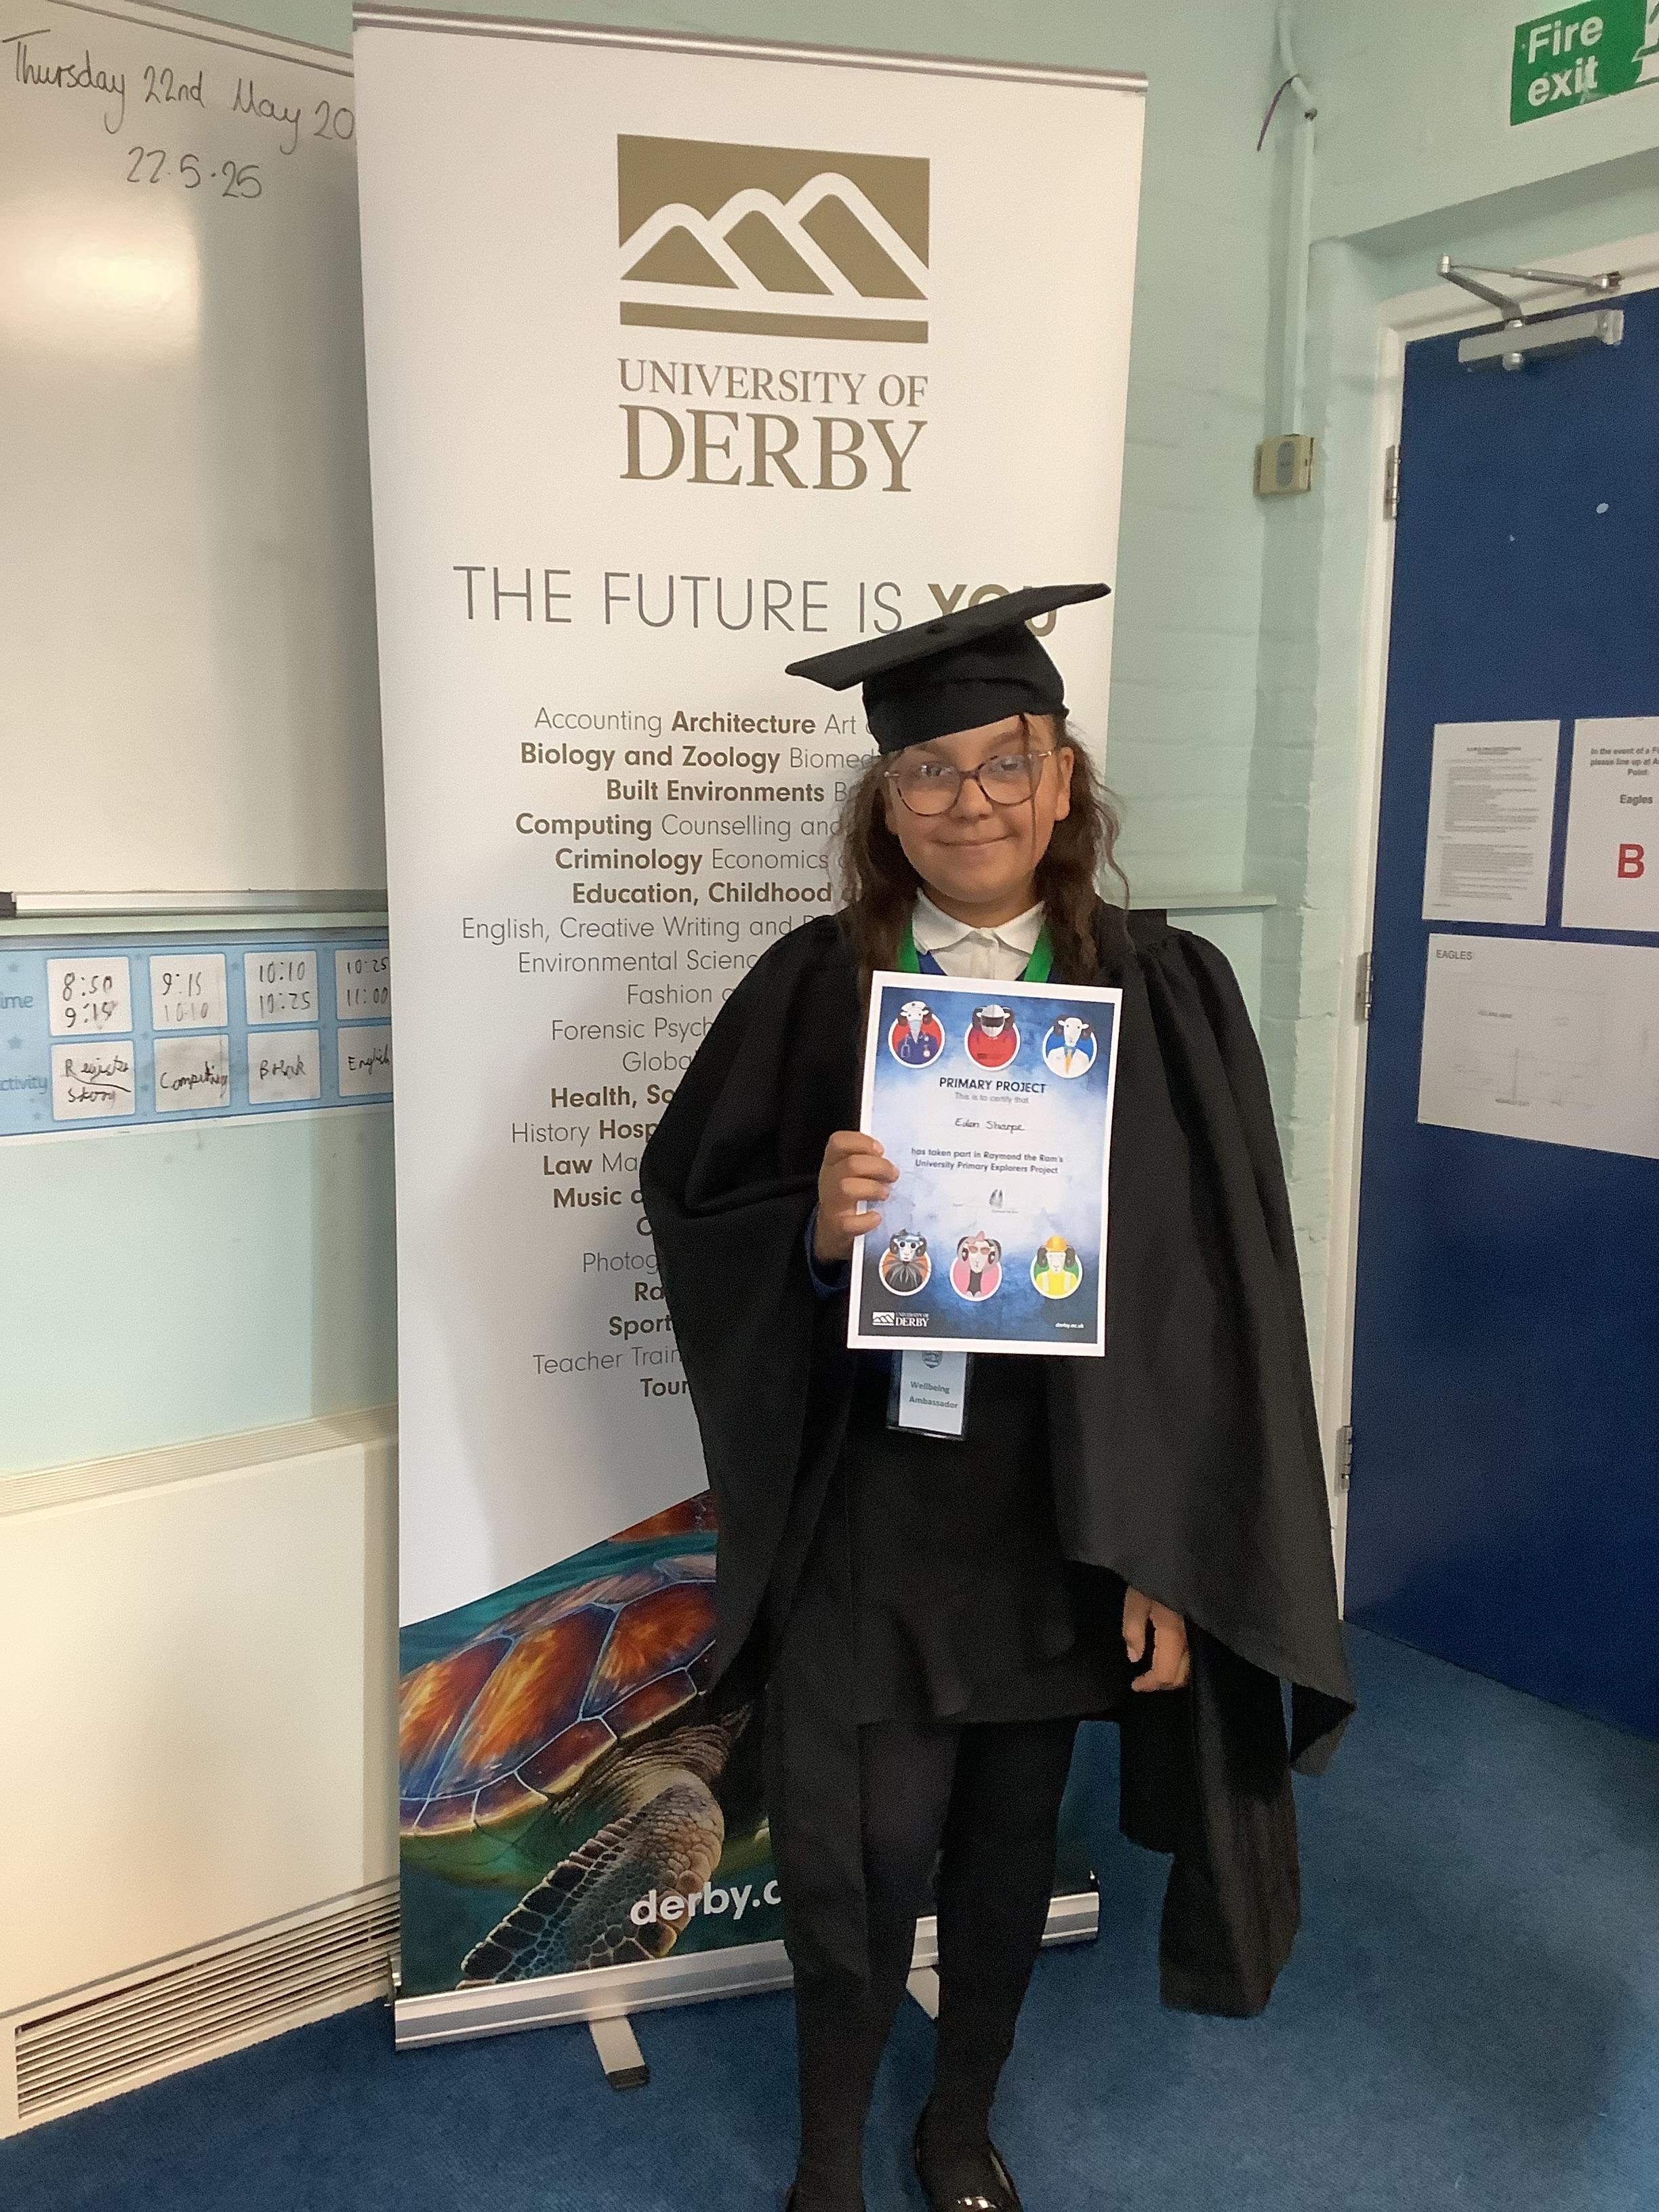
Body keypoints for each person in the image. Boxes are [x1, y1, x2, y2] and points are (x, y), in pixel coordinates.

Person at [640, 583, 1353, 2212]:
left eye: (1005, 760)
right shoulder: (818, 986)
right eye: (929, 770)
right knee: (859, 1859)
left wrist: (1173, 1550)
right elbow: (696, 1203)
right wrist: (816, 1234)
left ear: (1062, 778)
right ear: (886, 802)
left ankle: (958, 2125)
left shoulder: (1165, 993)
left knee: (1009, 1850)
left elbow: (1211, 1301)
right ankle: (829, 2161)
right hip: (873, 1502)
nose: (971, 800)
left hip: (1066, 1512)